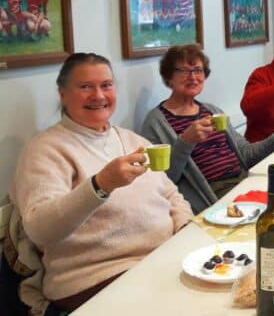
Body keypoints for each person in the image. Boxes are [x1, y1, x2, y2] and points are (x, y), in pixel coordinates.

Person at [10, 53, 193, 312]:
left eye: (106, 85)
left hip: (161, 261)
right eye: (85, 87)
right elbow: (40, 229)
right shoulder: (45, 150)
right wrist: (101, 185)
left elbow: (172, 195)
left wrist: (184, 229)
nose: (98, 95)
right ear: (62, 94)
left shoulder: (133, 140)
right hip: (97, 279)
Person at [141, 44, 274, 214]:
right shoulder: (156, 122)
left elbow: (246, 154)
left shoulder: (212, 111)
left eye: (198, 70)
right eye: (184, 70)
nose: (193, 77)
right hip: (212, 196)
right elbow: (161, 182)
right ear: (169, 77)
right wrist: (185, 141)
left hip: (243, 183)